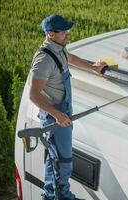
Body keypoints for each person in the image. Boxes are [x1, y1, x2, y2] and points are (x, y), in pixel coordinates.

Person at [29, 14, 107, 200]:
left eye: (68, 31)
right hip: (54, 116)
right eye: (63, 32)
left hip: (61, 111)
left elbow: (71, 58)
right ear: (50, 34)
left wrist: (92, 67)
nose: (67, 34)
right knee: (63, 161)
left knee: (54, 158)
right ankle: (62, 196)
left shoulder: (60, 49)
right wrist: (57, 115)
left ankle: (50, 195)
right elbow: (33, 94)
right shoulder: (44, 60)